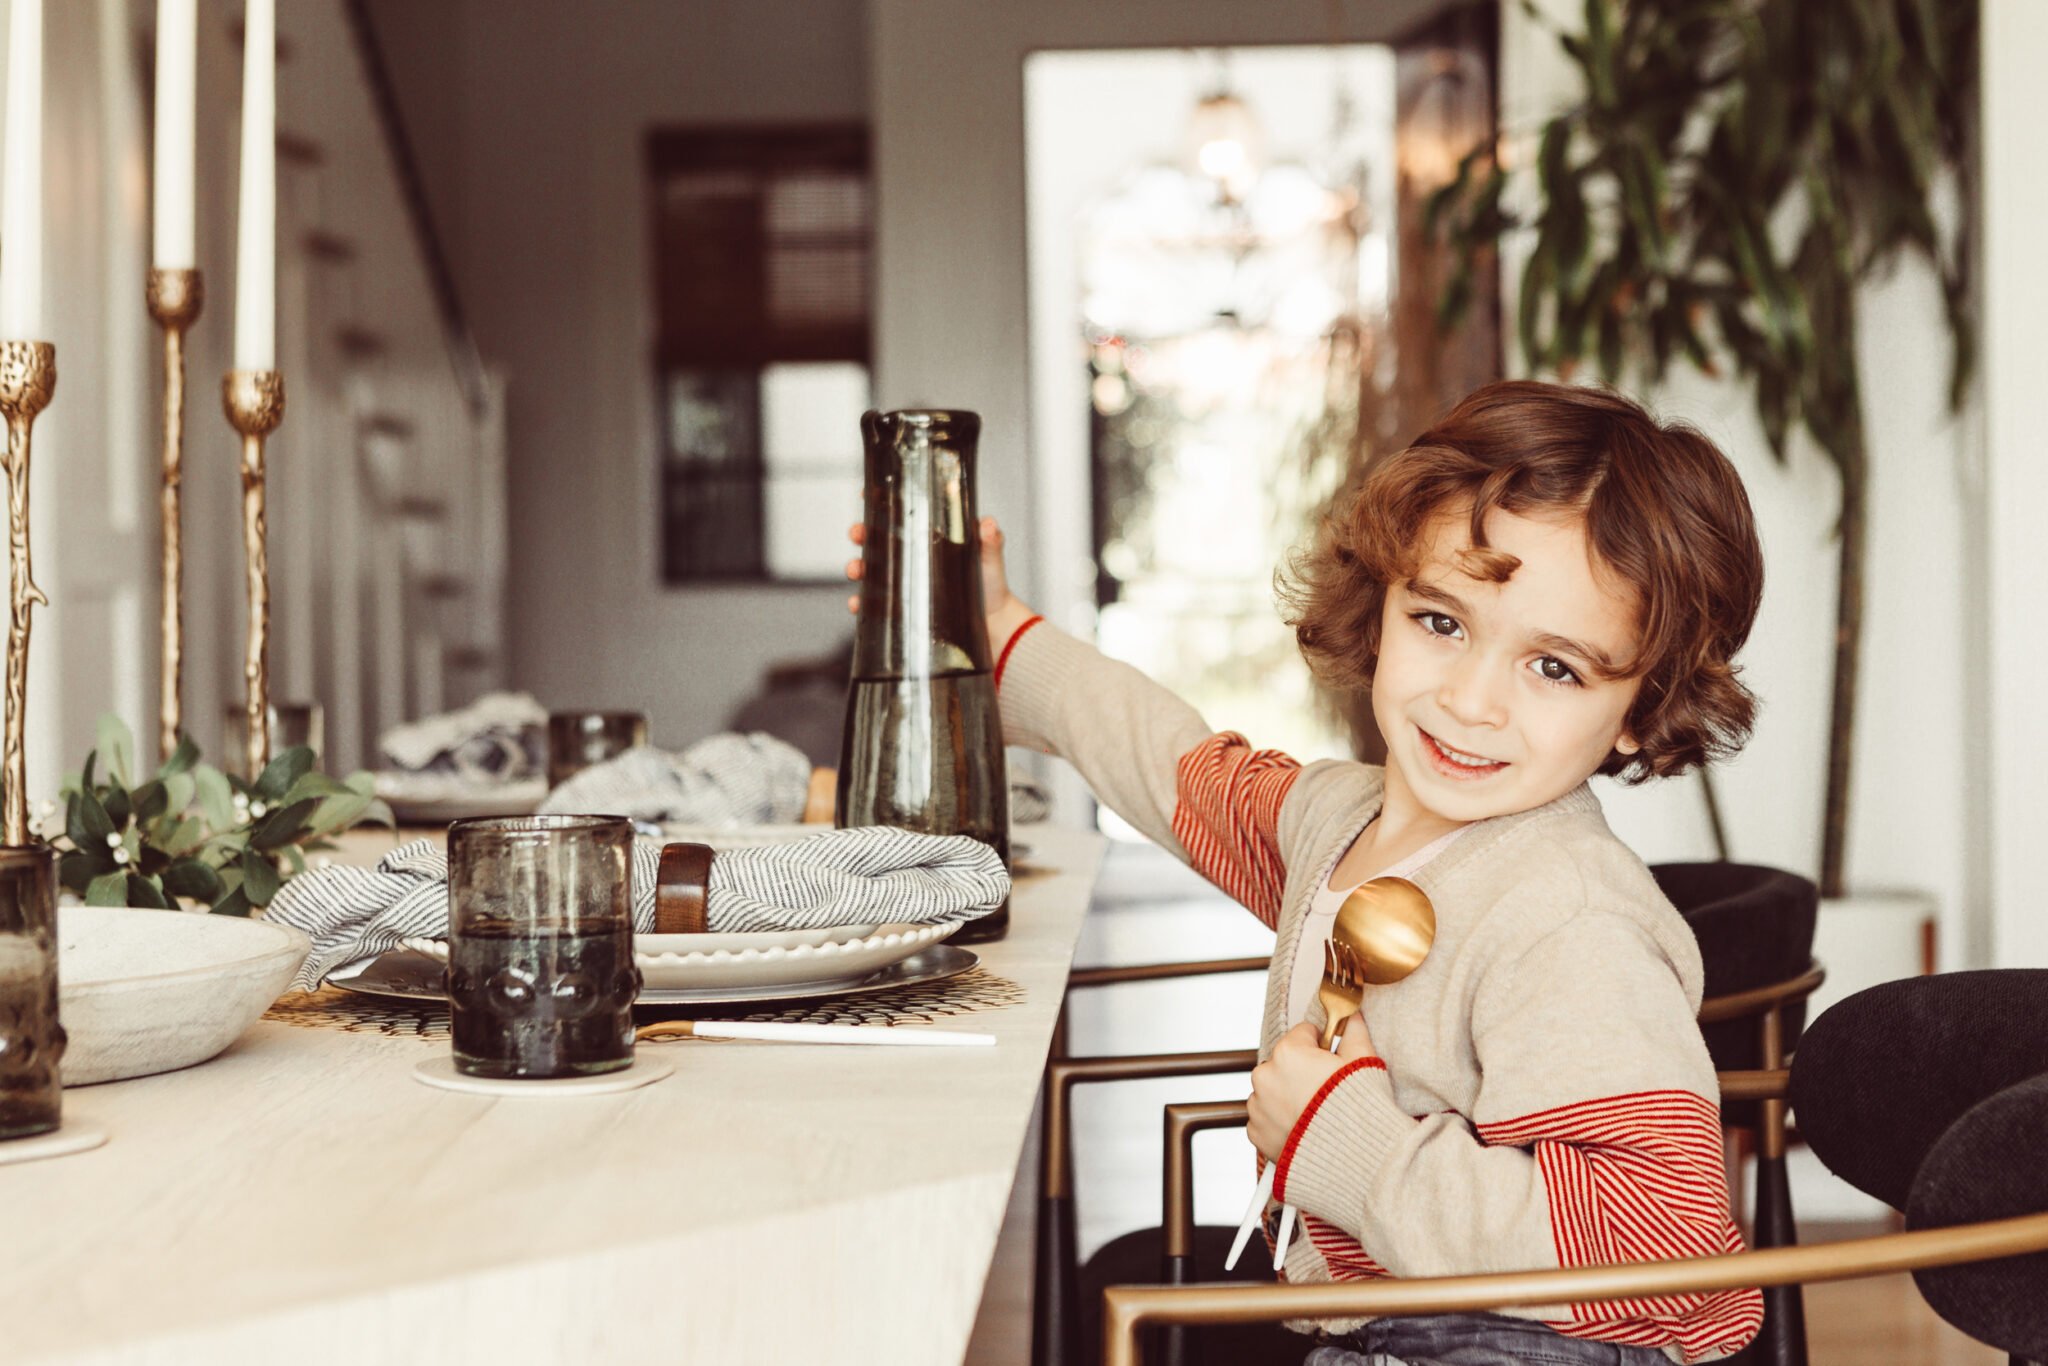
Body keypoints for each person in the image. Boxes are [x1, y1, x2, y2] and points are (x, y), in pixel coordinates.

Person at [848, 381, 1766, 1364]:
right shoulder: (1339, 817)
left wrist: (1347, 1137)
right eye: (1441, 622)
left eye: (1553, 668)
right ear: (1380, 607)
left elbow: (1659, 1245)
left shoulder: (1567, 919)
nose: (1469, 699)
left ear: (1639, 706)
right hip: (1374, 1322)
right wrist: (1000, 631)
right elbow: (1173, 767)